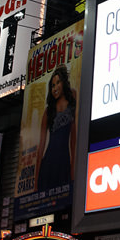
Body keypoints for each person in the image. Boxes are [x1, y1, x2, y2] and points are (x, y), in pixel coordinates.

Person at [36, 64, 77, 192]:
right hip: (48, 165)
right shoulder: (48, 112)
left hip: (64, 163)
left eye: (58, 83)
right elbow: (41, 147)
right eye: (52, 85)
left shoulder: (73, 97)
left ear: (64, 82)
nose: (55, 88)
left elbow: (73, 139)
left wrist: (72, 168)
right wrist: (36, 182)